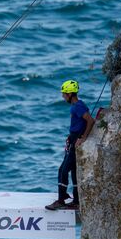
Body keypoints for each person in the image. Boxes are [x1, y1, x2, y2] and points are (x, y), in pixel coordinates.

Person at [46, 80, 95, 210]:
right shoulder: (78, 105)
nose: (63, 96)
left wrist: (83, 138)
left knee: (63, 170)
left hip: (76, 142)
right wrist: (72, 136)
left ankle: (61, 200)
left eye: (64, 94)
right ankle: (76, 201)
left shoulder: (77, 106)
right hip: (73, 139)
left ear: (70, 94)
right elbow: (80, 123)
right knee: (73, 171)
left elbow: (90, 120)